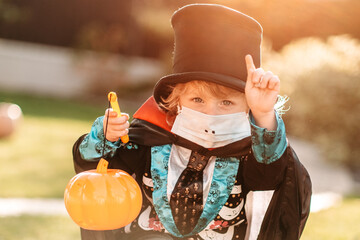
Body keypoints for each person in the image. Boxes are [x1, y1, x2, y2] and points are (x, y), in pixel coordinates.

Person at [72, 4, 311, 240]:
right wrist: (106, 137)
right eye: (197, 99)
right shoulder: (147, 140)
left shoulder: (254, 153)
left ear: (247, 108)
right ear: (176, 100)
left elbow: (272, 176)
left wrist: (263, 113)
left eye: (226, 103)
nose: (211, 113)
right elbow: (96, 170)